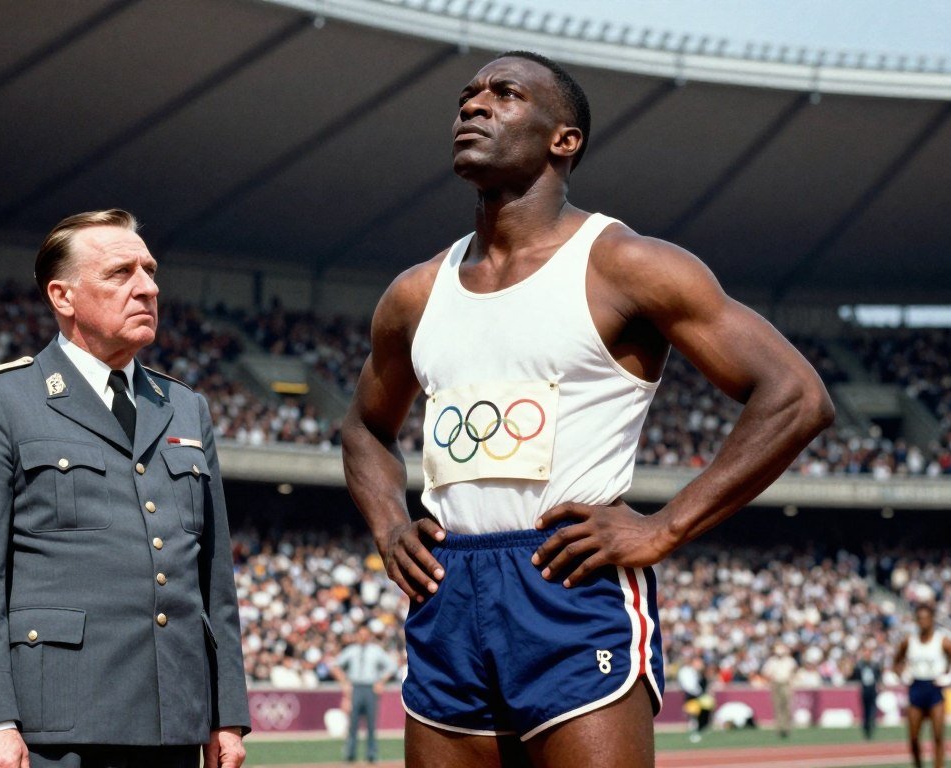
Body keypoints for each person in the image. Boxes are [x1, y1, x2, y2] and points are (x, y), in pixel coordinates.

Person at [340, 49, 833, 768]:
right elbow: (362, 427)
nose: (473, 106)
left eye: (504, 94)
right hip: (449, 589)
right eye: (466, 95)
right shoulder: (417, 292)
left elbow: (796, 396)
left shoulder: (625, 264)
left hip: (567, 580)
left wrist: (666, 526)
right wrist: (388, 527)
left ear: (563, 140)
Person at [0, 209, 249, 768]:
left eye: (150, 271)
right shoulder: (0, 402)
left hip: (175, 722)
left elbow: (213, 580)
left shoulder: (185, 408)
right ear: (63, 296)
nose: (147, 288)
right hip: (57, 728)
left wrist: (227, 714)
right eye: (121, 273)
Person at [893, 604, 951, 768]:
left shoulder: (943, 641)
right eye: (919, 619)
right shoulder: (909, 641)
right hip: (916, 688)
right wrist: (903, 675)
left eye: (926, 618)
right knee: (913, 737)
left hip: (934, 689)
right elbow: (896, 662)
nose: (922, 622)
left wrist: (948, 679)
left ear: (932, 620)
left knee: (938, 736)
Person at [330, 626, 399, 764]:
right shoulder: (351, 650)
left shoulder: (376, 651)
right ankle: (350, 754)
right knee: (353, 724)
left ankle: (371, 754)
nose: (363, 637)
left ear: (369, 636)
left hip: (370, 688)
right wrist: (345, 682)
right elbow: (335, 666)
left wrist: (381, 681)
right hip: (355, 687)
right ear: (357, 636)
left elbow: (392, 666)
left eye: (365, 634)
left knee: (371, 724)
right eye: (360, 634)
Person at [761, 644, 797, 738]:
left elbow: (793, 671)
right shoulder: (772, 661)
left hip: (786, 684)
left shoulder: (789, 661)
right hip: (776, 684)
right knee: (778, 707)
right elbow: (766, 672)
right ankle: (780, 728)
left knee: (787, 707)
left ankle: (786, 728)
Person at [675, 657, 712, 743]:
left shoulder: (695, 671)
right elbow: (689, 686)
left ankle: (701, 728)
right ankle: (695, 732)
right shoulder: (685, 671)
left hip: (698, 696)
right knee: (694, 714)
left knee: (705, 709)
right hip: (692, 696)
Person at [852, 644, 881, 740]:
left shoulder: (874, 665)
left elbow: (878, 677)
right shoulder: (860, 665)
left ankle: (871, 727)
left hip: (872, 689)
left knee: (872, 710)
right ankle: (866, 729)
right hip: (864, 690)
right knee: (865, 711)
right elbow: (855, 676)